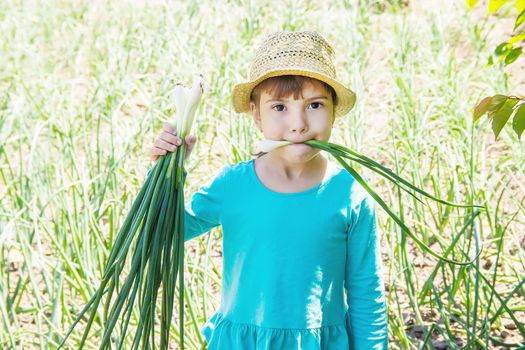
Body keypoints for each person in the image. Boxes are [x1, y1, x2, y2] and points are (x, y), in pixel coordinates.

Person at [149, 31, 388, 349]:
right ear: (256, 114)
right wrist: (165, 171)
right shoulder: (233, 186)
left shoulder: (350, 195)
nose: (298, 124)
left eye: (314, 105)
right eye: (279, 108)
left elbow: (366, 293)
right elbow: (166, 231)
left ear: (332, 110)